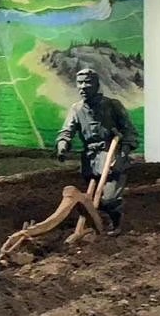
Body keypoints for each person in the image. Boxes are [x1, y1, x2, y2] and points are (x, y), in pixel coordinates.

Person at [56, 68, 139, 234]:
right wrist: (63, 144)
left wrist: (123, 152)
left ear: (96, 85)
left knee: (110, 199)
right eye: (80, 83)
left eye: (87, 82)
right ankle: (95, 224)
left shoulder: (112, 105)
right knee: (92, 198)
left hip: (111, 157)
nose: (83, 87)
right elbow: (67, 131)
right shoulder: (77, 109)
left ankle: (115, 223)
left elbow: (130, 132)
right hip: (90, 160)